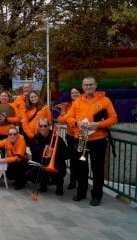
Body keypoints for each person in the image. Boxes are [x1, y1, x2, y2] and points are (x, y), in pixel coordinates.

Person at [66, 76, 117, 206]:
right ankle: (81, 192)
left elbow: (113, 118)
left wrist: (98, 124)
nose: (88, 87)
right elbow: (68, 118)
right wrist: (77, 122)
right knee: (81, 167)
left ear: (95, 85)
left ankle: (96, 195)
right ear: (82, 87)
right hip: (81, 139)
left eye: (91, 84)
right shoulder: (77, 101)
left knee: (97, 169)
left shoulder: (105, 100)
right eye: (86, 85)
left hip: (98, 139)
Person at [29, 118, 68, 195]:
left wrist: (54, 154)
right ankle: (43, 185)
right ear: (38, 127)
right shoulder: (35, 138)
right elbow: (34, 154)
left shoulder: (58, 139)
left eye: (45, 126)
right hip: (42, 164)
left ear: (49, 126)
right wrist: (42, 151)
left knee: (57, 177)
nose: (43, 128)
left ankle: (59, 186)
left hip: (57, 165)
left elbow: (66, 154)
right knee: (30, 175)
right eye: (41, 126)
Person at [57, 87, 81, 189]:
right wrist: (68, 117)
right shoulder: (67, 105)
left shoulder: (83, 104)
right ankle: (72, 181)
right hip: (70, 135)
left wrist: (68, 118)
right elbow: (60, 119)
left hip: (81, 135)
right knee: (73, 159)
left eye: (76, 92)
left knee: (81, 160)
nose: (74, 94)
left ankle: (81, 182)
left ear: (80, 93)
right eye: (72, 93)